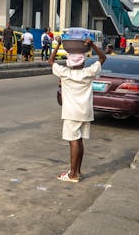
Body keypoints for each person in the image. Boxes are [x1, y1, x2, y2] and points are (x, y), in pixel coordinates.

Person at [48, 36, 106, 182]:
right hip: (85, 112)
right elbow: (103, 57)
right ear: (83, 61)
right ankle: (77, 171)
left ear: (69, 62)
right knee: (79, 141)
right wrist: (92, 44)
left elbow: (51, 61)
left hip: (71, 113)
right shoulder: (88, 72)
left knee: (73, 141)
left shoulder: (65, 73)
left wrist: (59, 44)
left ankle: (73, 175)